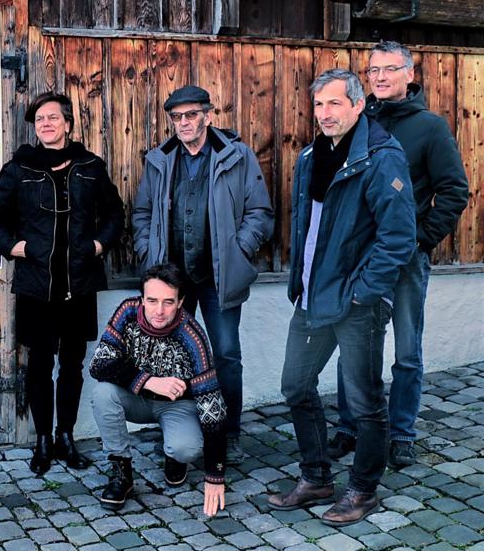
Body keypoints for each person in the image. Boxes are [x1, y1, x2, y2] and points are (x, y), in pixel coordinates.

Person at [269, 70, 416, 526]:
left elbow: (398, 238)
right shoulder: (313, 155)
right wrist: (300, 282)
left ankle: (363, 490)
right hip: (312, 298)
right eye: (318, 105)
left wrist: (363, 294)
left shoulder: (380, 157)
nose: (325, 114)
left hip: (355, 305)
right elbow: (309, 228)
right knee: (296, 385)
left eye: (334, 104)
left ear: (357, 105)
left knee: (364, 400)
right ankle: (316, 478)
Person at [329, 41, 470, 468]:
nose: (380, 77)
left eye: (390, 69)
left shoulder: (429, 127)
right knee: (352, 345)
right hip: (360, 258)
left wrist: (420, 239)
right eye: (373, 70)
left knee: (407, 350)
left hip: (406, 260)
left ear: (410, 74)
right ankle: (349, 426)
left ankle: (403, 431)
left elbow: (454, 191)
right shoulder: (357, 122)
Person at [0, 92, 124, 474]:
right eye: (40, 120)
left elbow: (114, 213)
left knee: (73, 365)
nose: (45, 124)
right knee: (39, 365)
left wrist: (98, 244)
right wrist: (15, 246)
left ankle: (65, 436)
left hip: (78, 284)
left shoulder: (91, 166)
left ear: (68, 124)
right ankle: (42, 441)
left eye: (52, 118)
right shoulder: (20, 169)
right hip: (36, 286)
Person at [132, 85, 273, 465]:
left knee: (226, 354)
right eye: (176, 117)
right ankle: (181, 433)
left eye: (191, 115)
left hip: (218, 276)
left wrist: (240, 248)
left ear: (208, 115)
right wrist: (148, 254)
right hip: (172, 279)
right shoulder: (160, 160)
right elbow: (142, 214)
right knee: (172, 355)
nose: (183, 123)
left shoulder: (236, 156)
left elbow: (259, 212)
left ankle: (227, 434)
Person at [89, 262, 228, 516]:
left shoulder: (193, 336)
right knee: (102, 393)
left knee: (185, 447)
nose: (159, 311)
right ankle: (121, 471)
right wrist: (149, 381)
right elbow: (99, 364)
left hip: (177, 405)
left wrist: (215, 475)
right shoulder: (127, 313)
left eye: (168, 302)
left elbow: (213, 408)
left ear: (180, 302)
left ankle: (175, 458)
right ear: (142, 299)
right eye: (152, 301)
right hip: (136, 398)